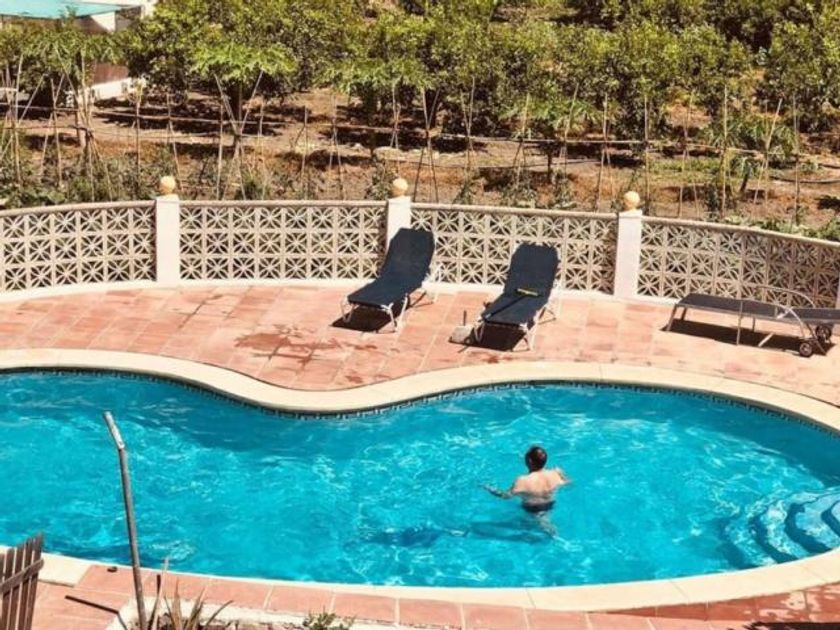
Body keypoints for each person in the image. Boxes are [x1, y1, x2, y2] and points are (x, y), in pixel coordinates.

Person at [483, 446, 570, 515]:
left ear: (529, 461)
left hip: (532, 509)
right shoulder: (557, 472)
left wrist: (489, 489)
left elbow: (506, 496)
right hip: (550, 504)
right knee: (545, 522)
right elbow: (568, 483)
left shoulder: (522, 480)